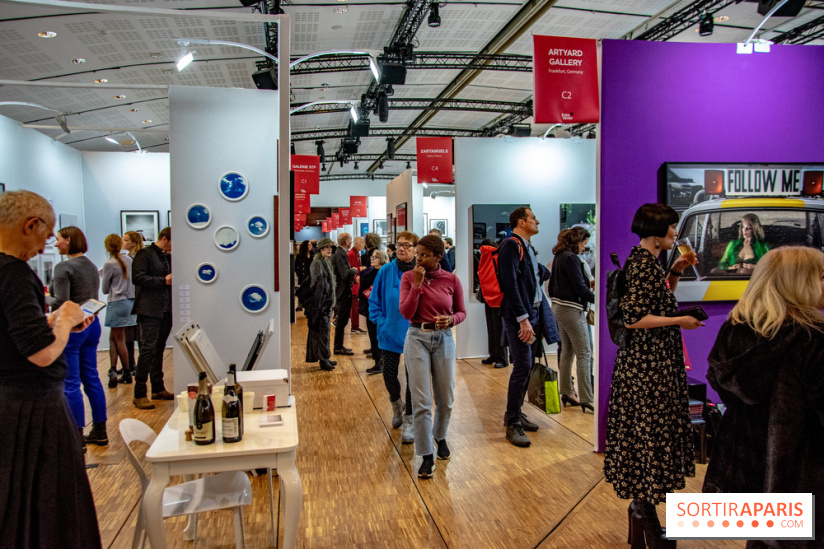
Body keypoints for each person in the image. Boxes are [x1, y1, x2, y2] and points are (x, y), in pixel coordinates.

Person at [0, 190, 101, 547]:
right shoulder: (13, 272)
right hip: (32, 409)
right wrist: (63, 322)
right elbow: (40, 354)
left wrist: (54, 319)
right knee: (45, 507)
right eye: (46, 236)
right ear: (31, 225)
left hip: (13, 406)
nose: (46, 245)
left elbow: (15, 331)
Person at [705, 246, 824, 548]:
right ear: (800, 283)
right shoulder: (812, 339)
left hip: (750, 472)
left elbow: (723, 388)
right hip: (804, 477)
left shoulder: (735, 331)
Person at [603, 203, 703, 548]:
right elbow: (633, 319)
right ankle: (646, 512)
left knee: (648, 435)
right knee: (650, 435)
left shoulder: (646, 262)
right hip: (648, 367)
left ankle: (642, 510)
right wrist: (681, 321)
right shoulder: (643, 265)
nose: (676, 233)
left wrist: (674, 272)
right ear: (659, 232)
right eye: (673, 228)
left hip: (649, 365)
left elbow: (655, 304)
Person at [399, 235, 466, 479]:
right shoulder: (409, 277)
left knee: (445, 398)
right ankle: (426, 454)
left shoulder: (451, 280)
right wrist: (417, 285)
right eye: (418, 253)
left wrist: (451, 320)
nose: (419, 258)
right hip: (417, 337)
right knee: (421, 401)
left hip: (444, 338)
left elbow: (461, 311)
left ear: (438, 257)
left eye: (425, 255)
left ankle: (440, 436)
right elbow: (406, 311)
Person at [498, 207, 560, 448]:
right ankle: (512, 422)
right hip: (519, 316)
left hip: (532, 313)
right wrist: (522, 319)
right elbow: (509, 283)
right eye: (533, 218)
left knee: (527, 364)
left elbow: (534, 275)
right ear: (522, 222)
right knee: (523, 366)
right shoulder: (511, 245)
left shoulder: (526, 246)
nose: (537, 222)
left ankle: (516, 414)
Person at [48, 226, 108, 447]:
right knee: (91, 377)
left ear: (69, 240)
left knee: (70, 382)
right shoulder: (91, 266)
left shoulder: (63, 267)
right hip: (92, 326)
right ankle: (100, 431)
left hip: (73, 328)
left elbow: (60, 302)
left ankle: (76, 437)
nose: (55, 244)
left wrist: (42, 296)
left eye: (58, 240)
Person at [369, 231, 418, 443]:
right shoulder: (386, 271)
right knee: (388, 373)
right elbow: (374, 300)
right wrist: (381, 321)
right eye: (399, 244)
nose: (402, 248)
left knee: (413, 378)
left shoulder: (421, 271)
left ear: (416, 249)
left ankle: (410, 419)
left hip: (414, 334)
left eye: (407, 245)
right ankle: (397, 405)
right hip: (389, 332)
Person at [548, 226, 595, 412]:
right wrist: (600, 298)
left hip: (558, 308)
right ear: (577, 241)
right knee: (584, 353)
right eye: (584, 243)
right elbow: (580, 289)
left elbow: (553, 287)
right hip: (572, 309)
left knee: (567, 351)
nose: (584, 247)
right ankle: (586, 397)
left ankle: (566, 391)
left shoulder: (559, 257)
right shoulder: (572, 258)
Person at [131, 226, 173, 410]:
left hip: (165, 309)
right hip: (149, 309)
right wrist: (163, 281)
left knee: (159, 349)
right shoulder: (144, 254)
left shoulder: (166, 256)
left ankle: (157, 388)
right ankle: (139, 393)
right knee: (147, 349)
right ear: (164, 238)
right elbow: (138, 278)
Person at [101, 234, 137, 387]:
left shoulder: (109, 264)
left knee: (119, 339)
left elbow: (104, 289)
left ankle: (126, 372)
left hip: (116, 302)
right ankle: (113, 369)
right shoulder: (129, 260)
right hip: (129, 303)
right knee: (114, 337)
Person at [305, 238, 337, 371]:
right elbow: (316, 286)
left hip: (327, 303)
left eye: (330, 247)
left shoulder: (326, 262)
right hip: (321, 304)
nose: (329, 249)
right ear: (321, 249)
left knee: (325, 331)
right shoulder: (317, 263)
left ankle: (326, 356)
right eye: (326, 247)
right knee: (321, 332)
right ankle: (323, 359)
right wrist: (318, 306)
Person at [478, 239, 507, 368]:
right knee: (496, 328)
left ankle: (500, 357)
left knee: (495, 329)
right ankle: (497, 356)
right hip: (495, 296)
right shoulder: (496, 255)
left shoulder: (490, 256)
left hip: (493, 296)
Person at [360, 249, 388, 375]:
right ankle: (378, 361)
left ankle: (384, 361)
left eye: (375, 257)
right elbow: (361, 291)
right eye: (371, 257)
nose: (372, 259)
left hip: (385, 309)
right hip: (371, 309)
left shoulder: (387, 274)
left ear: (381, 258)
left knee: (383, 335)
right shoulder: (368, 275)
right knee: (373, 335)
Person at [121, 231, 143, 379]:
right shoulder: (129, 259)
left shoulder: (135, 260)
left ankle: (136, 366)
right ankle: (133, 365)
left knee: (137, 335)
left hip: (135, 299)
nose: (123, 242)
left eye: (126, 240)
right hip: (133, 298)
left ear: (133, 243)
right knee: (131, 334)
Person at [331, 232, 358, 355]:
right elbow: (345, 274)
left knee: (342, 321)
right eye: (351, 240)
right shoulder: (341, 254)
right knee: (341, 321)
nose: (351, 242)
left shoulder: (340, 253)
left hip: (342, 291)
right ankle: (338, 347)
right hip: (343, 292)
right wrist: (354, 270)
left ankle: (339, 345)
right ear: (346, 242)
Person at [348, 236, 366, 334]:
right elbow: (350, 269)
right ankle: (354, 326)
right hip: (353, 284)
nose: (364, 244)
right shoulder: (351, 254)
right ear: (356, 243)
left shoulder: (356, 254)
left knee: (355, 305)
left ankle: (355, 326)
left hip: (356, 283)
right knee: (354, 305)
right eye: (362, 242)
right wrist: (360, 269)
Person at [294, 240, 312, 311]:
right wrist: (299, 274)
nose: (310, 246)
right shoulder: (299, 256)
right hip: (303, 276)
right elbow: (296, 267)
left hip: (311, 276)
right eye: (308, 245)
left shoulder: (312, 255)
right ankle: (300, 305)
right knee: (302, 291)